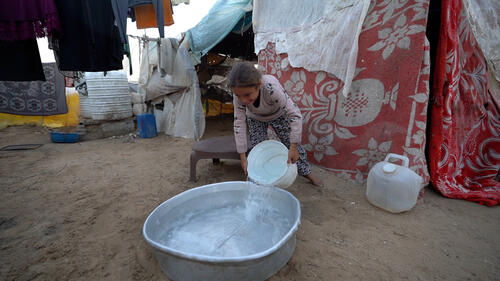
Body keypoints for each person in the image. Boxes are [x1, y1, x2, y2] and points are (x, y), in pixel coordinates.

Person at [229, 62, 322, 186]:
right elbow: (239, 123)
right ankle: (262, 179)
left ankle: (306, 172)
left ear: (259, 85)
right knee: (259, 149)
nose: (243, 100)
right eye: (239, 96)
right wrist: (243, 157)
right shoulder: (239, 96)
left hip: (278, 114)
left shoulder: (271, 89)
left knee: (294, 149)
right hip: (255, 118)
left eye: (247, 95)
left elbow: (295, 115)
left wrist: (293, 147)